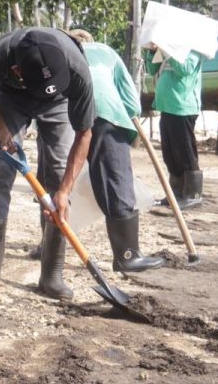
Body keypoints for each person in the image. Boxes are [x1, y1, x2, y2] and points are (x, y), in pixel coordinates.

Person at [0, 27, 96, 300]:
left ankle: (51, 274)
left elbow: (84, 133)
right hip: (13, 99)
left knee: (58, 175)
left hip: (59, 103)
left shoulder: (77, 68)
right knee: (2, 171)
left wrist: (64, 190)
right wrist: (0, 126)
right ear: (17, 69)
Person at [68, 29, 165, 273]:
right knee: (116, 182)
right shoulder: (105, 51)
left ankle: (47, 245)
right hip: (105, 115)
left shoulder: (64, 53)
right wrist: (130, 119)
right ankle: (127, 255)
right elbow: (130, 97)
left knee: (60, 181)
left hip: (69, 119)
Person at [145, 43, 204, 210]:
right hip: (166, 106)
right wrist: (153, 51)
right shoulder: (169, 49)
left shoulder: (193, 50)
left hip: (183, 107)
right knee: (169, 152)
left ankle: (193, 195)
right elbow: (152, 69)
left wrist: (168, 49)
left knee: (185, 151)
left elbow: (184, 69)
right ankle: (176, 193)